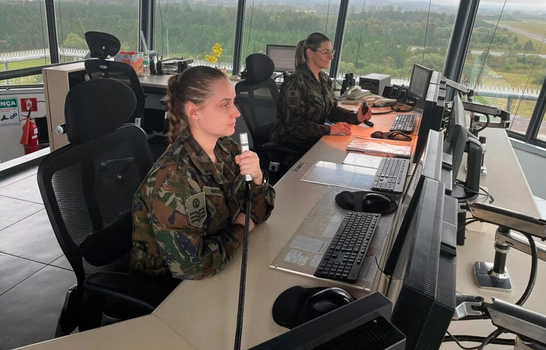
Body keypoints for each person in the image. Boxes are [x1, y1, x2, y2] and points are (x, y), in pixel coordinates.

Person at [130, 66, 275, 281]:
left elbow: (262, 210)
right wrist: (242, 226)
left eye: (233, 102)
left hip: (222, 268)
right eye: (225, 105)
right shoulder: (175, 179)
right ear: (194, 111)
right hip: (168, 291)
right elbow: (193, 267)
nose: (236, 112)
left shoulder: (227, 149)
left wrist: (257, 179)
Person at [269, 32, 371, 169]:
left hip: (314, 140)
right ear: (310, 53)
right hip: (294, 146)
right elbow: (295, 125)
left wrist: (356, 117)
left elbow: (332, 110)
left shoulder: (323, 79)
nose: (331, 57)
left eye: (331, 52)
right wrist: (329, 129)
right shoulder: (295, 83)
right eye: (325, 52)